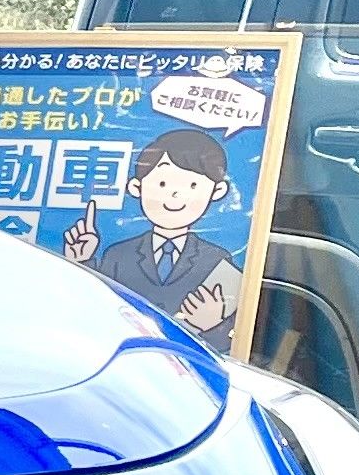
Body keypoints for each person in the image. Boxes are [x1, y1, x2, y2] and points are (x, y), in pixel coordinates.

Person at [66, 124, 242, 350]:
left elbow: (233, 342)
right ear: (136, 187)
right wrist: (82, 262)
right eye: (162, 183)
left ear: (217, 191)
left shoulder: (216, 259)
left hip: (186, 365)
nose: (175, 194)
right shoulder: (118, 254)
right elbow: (90, 313)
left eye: (192, 185)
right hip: (120, 359)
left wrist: (213, 325)